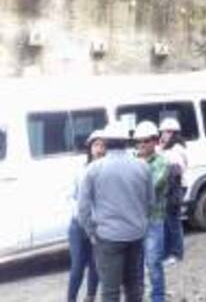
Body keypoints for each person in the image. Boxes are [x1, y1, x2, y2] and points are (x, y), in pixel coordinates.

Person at [78, 121, 153, 302]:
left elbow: (83, 208)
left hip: (107, 237)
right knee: (134, 287)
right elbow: (150, 202)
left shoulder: (93, 169)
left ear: (105, 142)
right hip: (135, 234)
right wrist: (141, 224)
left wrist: (91, 232)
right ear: (126, 142)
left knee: (110, 291)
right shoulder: (143, 166)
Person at [67, 129, 105, 302]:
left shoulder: (108, 171)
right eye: (96, 145)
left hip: (98, 226)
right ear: (89, 148)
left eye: (103, 145)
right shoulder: (81, 170)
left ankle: (90, 297)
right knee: (77, 266)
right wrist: (80, 212)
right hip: (79, 225)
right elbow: (70, 195)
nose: (99, 149)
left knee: (95, 264)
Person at [134, 121, 169, 302]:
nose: (141, 144)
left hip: (154, 219)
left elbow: (150, 188)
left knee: (153, 262)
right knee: (135, 265)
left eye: (146, 140)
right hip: (134, 221)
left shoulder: (161, 163)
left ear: (155, 141)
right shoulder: (131, 160)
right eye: (138, 141)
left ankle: (158, 298)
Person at [158, 117, 188, 264]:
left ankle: (176, 254)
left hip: (174, 188)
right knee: (167, 221)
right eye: (163, 132)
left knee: (173, 222)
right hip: (169, 188)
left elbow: (176, 171)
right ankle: (168, 252)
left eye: (166, 132)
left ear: (173, 133)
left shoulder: (176, 149)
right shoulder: (168, 148)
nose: (163, 135)